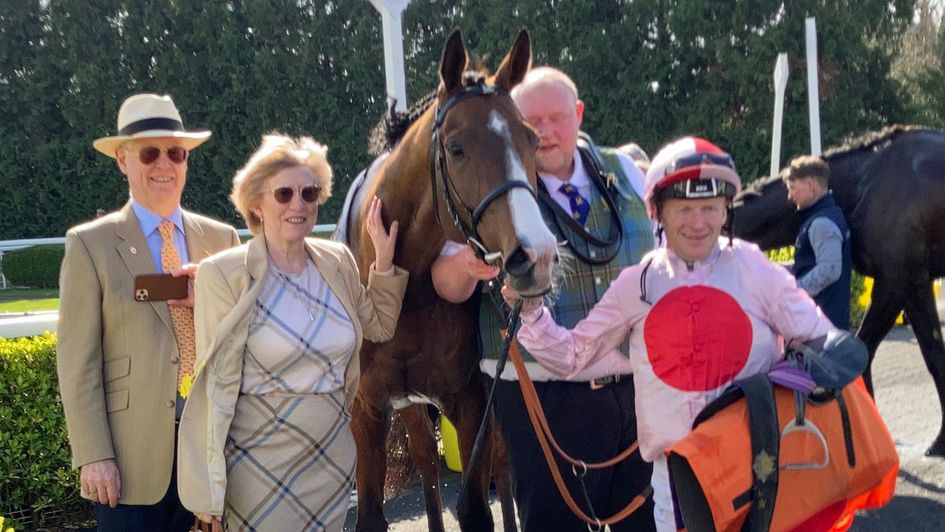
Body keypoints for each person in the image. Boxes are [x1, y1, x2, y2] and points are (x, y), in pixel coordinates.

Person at [506, 136, 837, 531]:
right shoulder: (638, 283)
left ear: (725, 209)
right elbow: (572, 355)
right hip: (676, 482)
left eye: (709, 208)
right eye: (684, 208)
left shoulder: (756, 269)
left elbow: (821, 342)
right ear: (658, 211)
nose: (698, 223)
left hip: (759, 470)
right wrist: (529, 309)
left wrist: (815, 369)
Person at [431, 66, 656, 531]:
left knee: (645, 522)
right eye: (533, 122)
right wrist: (466, 268)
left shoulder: (627, 170)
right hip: (544, 394)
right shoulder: (489, 175)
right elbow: (446, 283)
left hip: (637, 387)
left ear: (579, 114)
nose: (547, 132)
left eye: (559, 118)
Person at [176, 134, 408, 531]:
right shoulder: (223, 274)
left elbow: (380, 325)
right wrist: (208, 492)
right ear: (256, 204)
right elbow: (214, 386)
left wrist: (383, 263)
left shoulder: (338, 261)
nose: (298, 204)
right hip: (258, 468)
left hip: (331, 463)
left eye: (309, 192)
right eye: (283, 194)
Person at [57, 93, 240, 531]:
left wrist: (213, 304)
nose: (164, 164)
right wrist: (94, 455)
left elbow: (243, 341)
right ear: (122, 160)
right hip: (130, 462)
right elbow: (77, 362)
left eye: (175, 153)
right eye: (149, 153)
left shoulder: (223, 240)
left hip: (213, 456)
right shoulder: (90, 245)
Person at [783, 155, 852, 329]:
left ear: (811, 185)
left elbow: (829, 270)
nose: (790, 196)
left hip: (821, 326)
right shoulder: (827, 216)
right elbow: (808, 264)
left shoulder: (822, 223)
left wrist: (793, 292)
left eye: (793, 188)